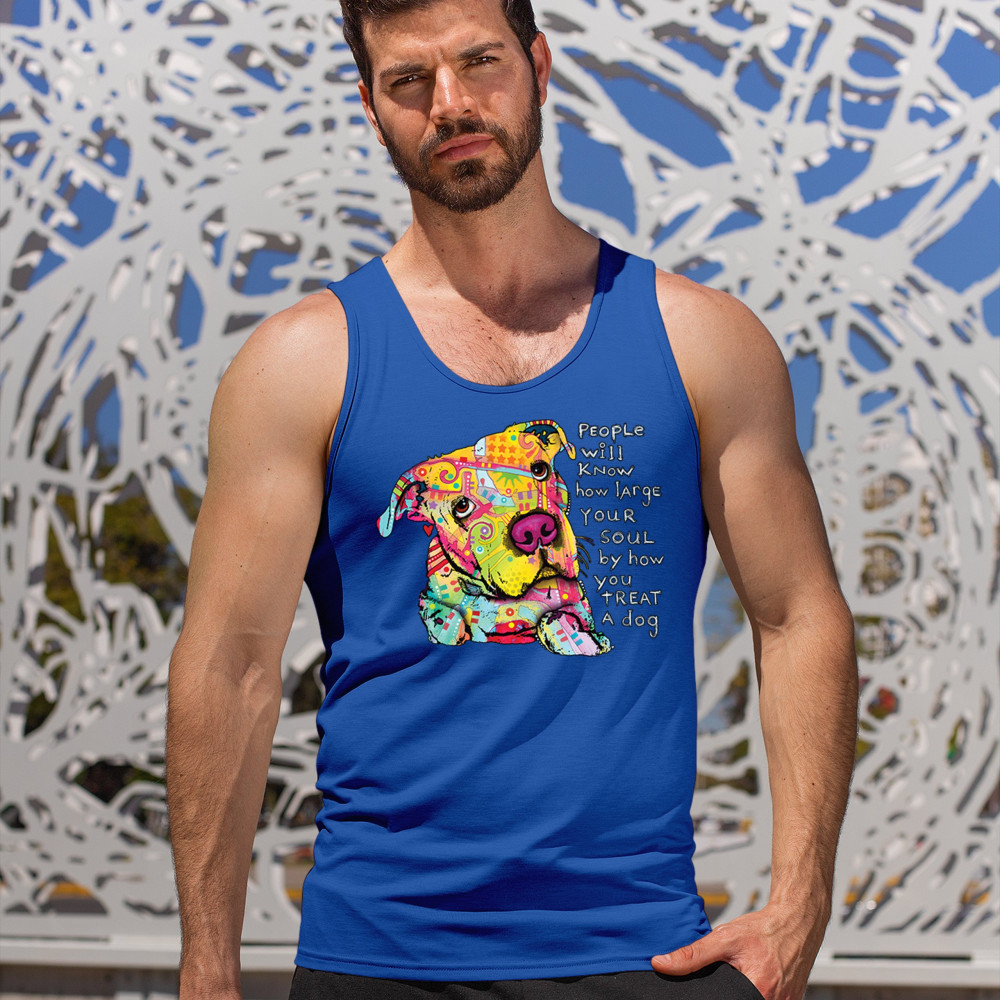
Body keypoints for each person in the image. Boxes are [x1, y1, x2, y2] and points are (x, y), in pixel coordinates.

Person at [165, 1, 859, 998]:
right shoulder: (302, 362)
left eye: (480, 61)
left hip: (642, 953)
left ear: (537, 64)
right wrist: (207, 967)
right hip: (380, 955)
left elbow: (798, 615)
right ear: (370, 105)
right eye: (409, 81)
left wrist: (800, 906)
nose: (449, 103)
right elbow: (229, 664)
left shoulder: (701, 340)